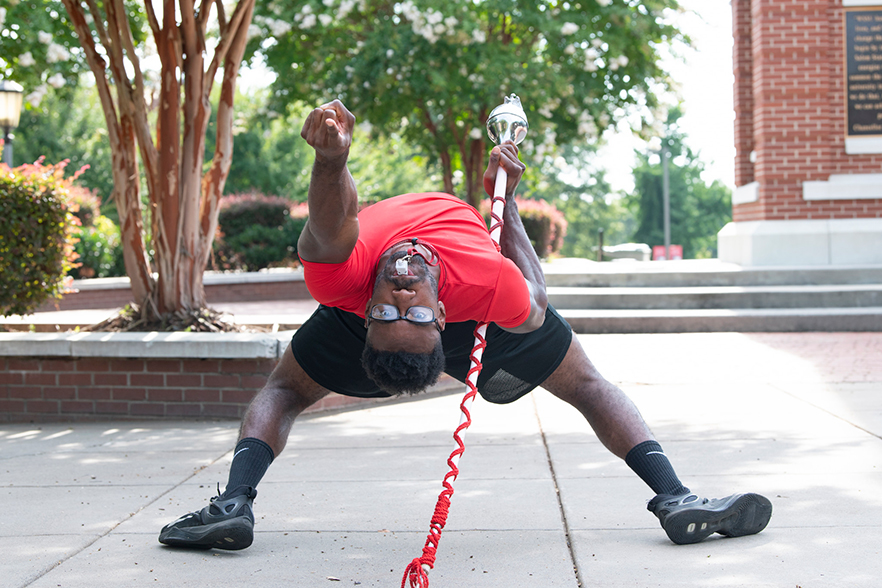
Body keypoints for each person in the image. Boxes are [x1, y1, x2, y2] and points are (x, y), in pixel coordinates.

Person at [159, 100, 772, 551]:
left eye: (400, 309)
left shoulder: (353, 284)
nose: (401, 293)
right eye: (408, 309)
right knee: (586, 383)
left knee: (284, 388)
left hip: (412, 327)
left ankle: (675, 498)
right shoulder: (460, 285)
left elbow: (332, 223)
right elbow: (531, 296)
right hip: (419, 326)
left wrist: (334, 160)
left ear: (428, 314)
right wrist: (501, 218)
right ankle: (233, 505)